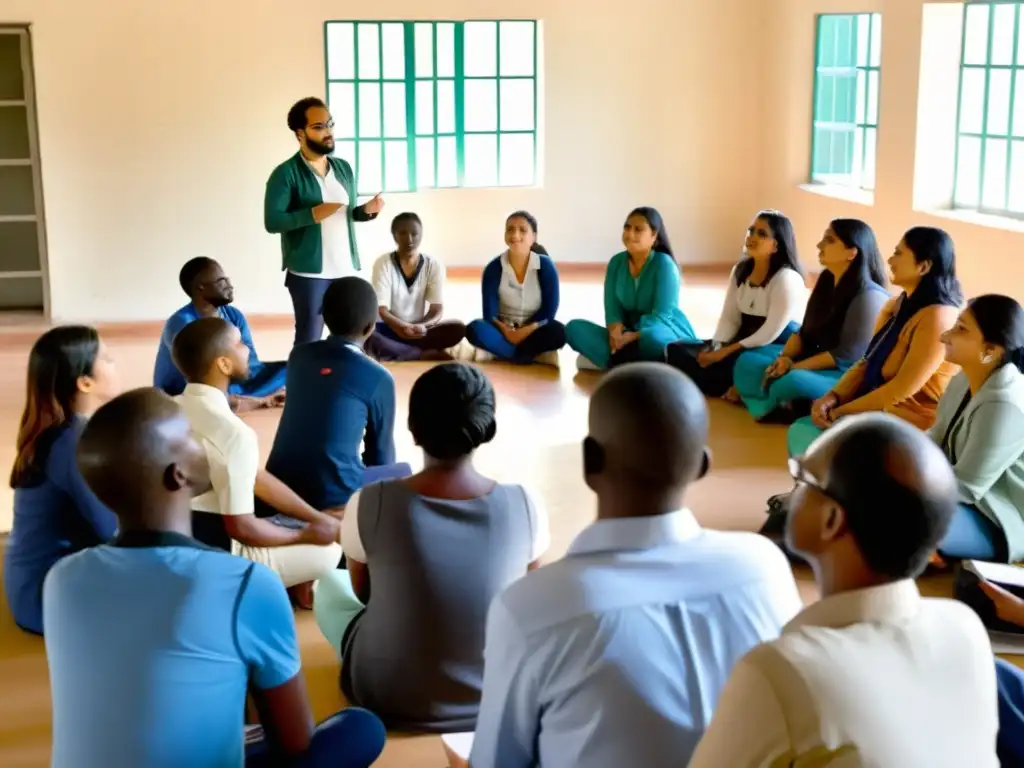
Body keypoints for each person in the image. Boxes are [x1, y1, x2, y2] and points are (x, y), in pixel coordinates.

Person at [466, 363, 802, 767]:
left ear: (589, 461)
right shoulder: (763, 567)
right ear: (702, 466)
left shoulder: (532, 606)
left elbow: (497, 761)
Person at [43, 388, 386, 767]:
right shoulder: (243, 583)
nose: (201, 443)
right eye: (191, 437)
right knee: (361, 728)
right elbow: (293, 743)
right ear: (178, 474)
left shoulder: (62, 579)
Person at [690, 413, 998, 767]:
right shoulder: (965, 628)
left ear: (832, 520)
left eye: (802, 479)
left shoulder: (782, 671)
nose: (792, 493)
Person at [314, 363, 550, 732]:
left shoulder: (370, 500)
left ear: (412, 427)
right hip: (496, 696)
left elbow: (364, 594)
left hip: (387, 695)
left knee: (329, 584)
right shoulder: (524, 502)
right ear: (486, 428)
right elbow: (528, 601)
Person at [171, 317, 343, 602]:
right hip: (217, 554)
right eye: (240, 344)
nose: (248, 349)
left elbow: (254, 476)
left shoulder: (176, 406)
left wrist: (314, 517)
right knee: (331, 551)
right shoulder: (233, 433)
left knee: (326, 519)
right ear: (223, 364)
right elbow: (242, 528)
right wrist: (306, 536)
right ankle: (269, 588)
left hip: (185, 535)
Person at [787, 226, 962, 457]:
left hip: (912, 422)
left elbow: (901, 389)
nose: (890, 260)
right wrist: (832, 397)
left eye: (899, 253)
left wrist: (841, 412)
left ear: (923, 266)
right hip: (878, 405)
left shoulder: (938, 317)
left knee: (815, 437)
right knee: (803, 428)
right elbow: (866, 360)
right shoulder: (897, 304)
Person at [4, 326, 119, 635]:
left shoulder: (60, 429)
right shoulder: (73, 442)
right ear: (84, 383)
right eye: (106, 359)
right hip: (46, 600)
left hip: (31, 585)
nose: (114, 363)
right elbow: (111, 532)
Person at [266, 276, 411, 512]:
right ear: (370, 327)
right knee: (401, 473)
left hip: (279, 487)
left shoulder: (298, 356)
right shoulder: (378, 376)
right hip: (331, 494)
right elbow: (381, 453)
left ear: (323, 317)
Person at [733, 219, 889, 421]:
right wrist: (785, 358)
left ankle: (776, 401)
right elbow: (804, 333)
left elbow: (845, 358)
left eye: (829, 240)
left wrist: (793, 367)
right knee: (748, 360)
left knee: (791, 380)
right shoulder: (826, 279)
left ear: (852, 252)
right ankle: (781, 403)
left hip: (844, 375)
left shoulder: (868, 296)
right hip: (814, 360)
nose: (819, 245)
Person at [264, 97, 385, 347]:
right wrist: (312, 214)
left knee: (351, 337)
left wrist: (368, 211)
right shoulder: (285, 174)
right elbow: (273, 221)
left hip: (345, 269)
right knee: (310, 337)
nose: (328, 132)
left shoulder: (343, 169)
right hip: (309, 273)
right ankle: (300, 384)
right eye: (319, 127)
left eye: (329, 124)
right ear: (300, 133)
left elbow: (348, 214)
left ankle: (341, 383)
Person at [665, 210, 808, 398]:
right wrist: (716, 347)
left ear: (776, 245)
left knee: (734, 364)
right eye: (751, 231)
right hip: (740, 341)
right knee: (676, 349)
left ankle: (725, 383)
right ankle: (722, 383)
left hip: (772, 346)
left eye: (761, 234)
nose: (752, 237)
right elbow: (730, 317)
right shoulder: (741, 270)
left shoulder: (787, 278)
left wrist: (724, 353)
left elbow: (769, 333)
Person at [929, 294, 1024, 563]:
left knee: (886, 516)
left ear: (990, 351)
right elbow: (937, 435)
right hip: (960, 495)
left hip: (999, 516)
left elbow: (968, 487)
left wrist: (906, 485)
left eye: (961, 329)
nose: (945, 336)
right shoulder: (965, 377)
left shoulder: (1006, 405)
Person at [565, 207, 698, 370]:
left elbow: (662, 316)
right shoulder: (616, 262)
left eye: (638, 229)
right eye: (627, 228)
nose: (630, 234)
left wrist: (632, 336)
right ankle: (637, 367)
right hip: (626, 337)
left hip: (660, 332)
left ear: (654, 236)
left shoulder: (664, 265)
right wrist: (615, 332)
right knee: (574, 328)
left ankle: (616, 364)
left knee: (652, 337)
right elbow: (612, 308)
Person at [153, 257, 287, 407]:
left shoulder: (234, 315)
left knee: (291, 368)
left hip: (232, 378)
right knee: (210, 392)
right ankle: (245, 400)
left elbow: (251, 360)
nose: (229, 286)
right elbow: (199, 376)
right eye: (221, 282)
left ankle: (241, 398)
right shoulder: (181, 323)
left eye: (227, 280)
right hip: (188, 387)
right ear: (200, 288)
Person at [464, 211, 566, 365]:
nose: (515, 234)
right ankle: (529, 355)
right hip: (504, 331)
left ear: (534, 236)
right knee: (475, 328)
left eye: (522, 230)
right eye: (510, 229)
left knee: (560, 332)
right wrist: (508, 333)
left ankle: (504, 353)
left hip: (534, 330)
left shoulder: (545, 266)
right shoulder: (493, 268)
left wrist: (524, 331)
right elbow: (489, 314)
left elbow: (549, 310)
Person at [365, 212, 467, 361]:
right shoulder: (383, 263)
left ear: (421, 235)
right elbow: (382, 310)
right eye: (403, 233)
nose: (409, 239)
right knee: (366, 333)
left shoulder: (433, 264)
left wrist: (422, 326)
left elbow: (436, 309)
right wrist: (401, 327)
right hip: (389, 328)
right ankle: (418, 353)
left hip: (420, 330)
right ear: (394, 236)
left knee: (458, 328)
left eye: (414, 233)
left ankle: (399, 350)